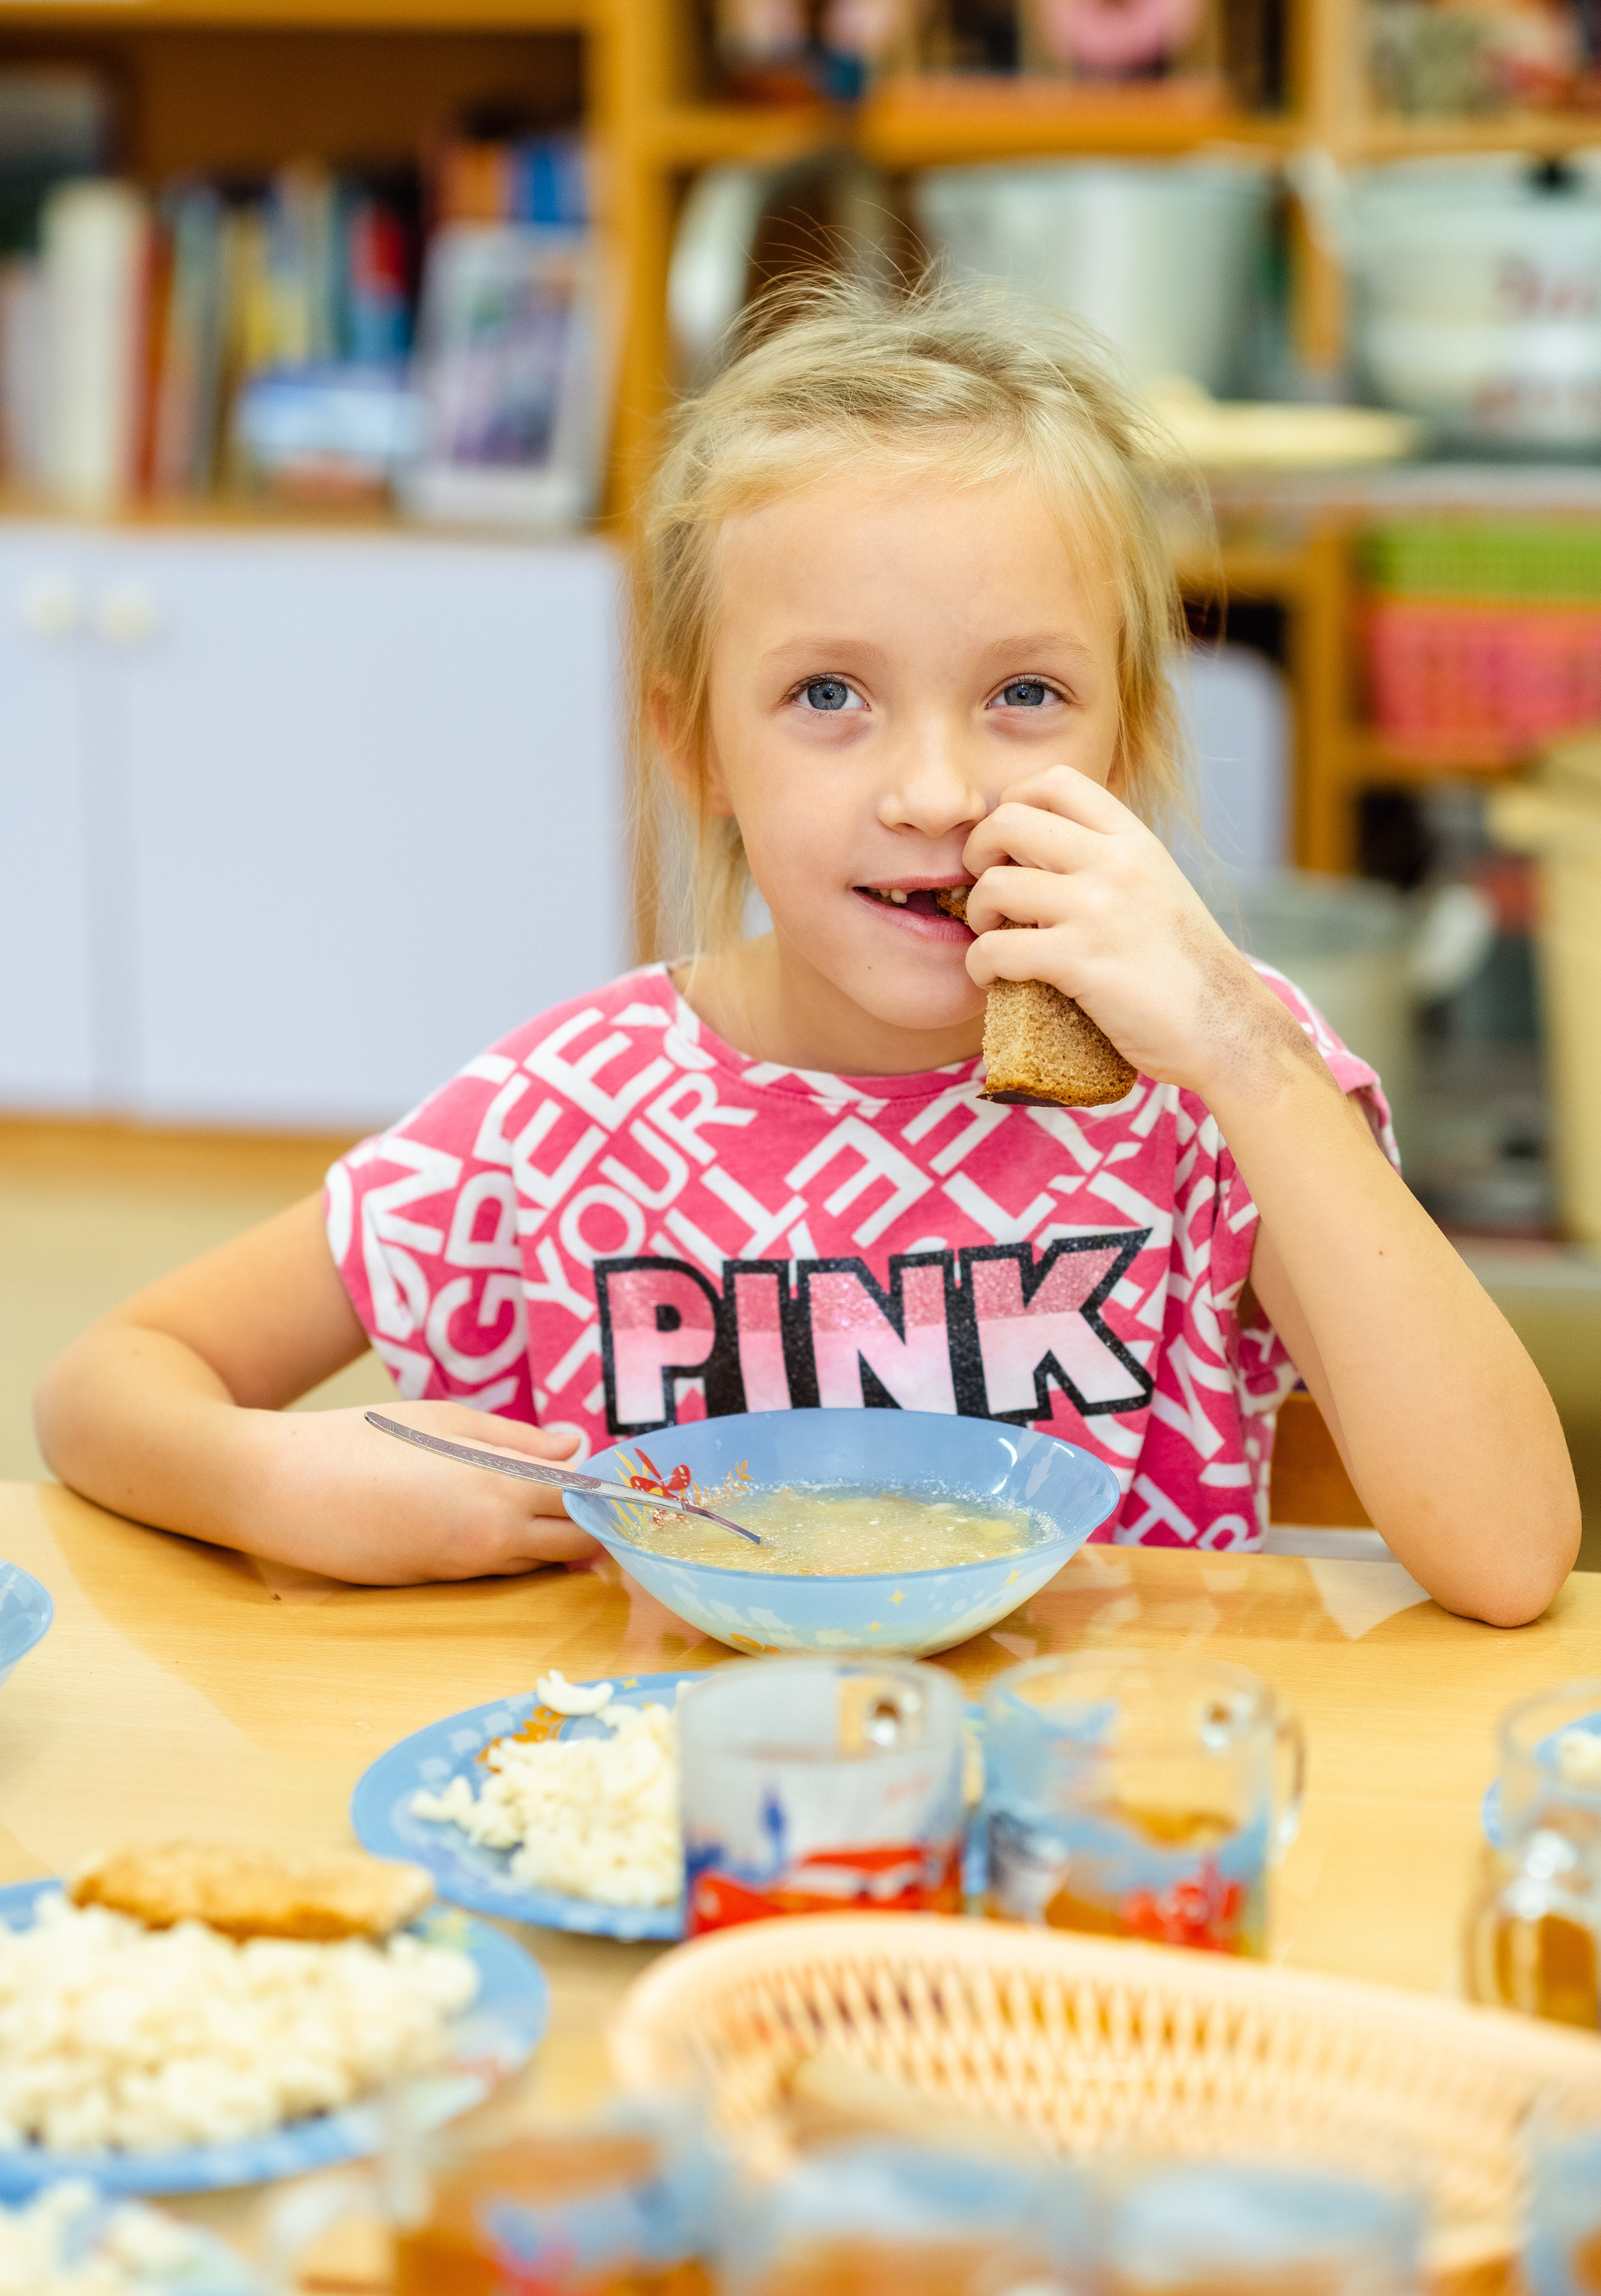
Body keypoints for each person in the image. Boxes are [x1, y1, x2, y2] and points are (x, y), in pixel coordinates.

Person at [36, 281, 1577, 1624]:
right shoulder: (566, 1120)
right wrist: (263, 1479)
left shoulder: (1209, 1090)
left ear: (1128, 737)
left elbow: (1509, 1557)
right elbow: (105, 1381)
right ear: (695, 743)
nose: (931, 791)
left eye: (1024, 694)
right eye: (827, 696)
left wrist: (1245, 1052)